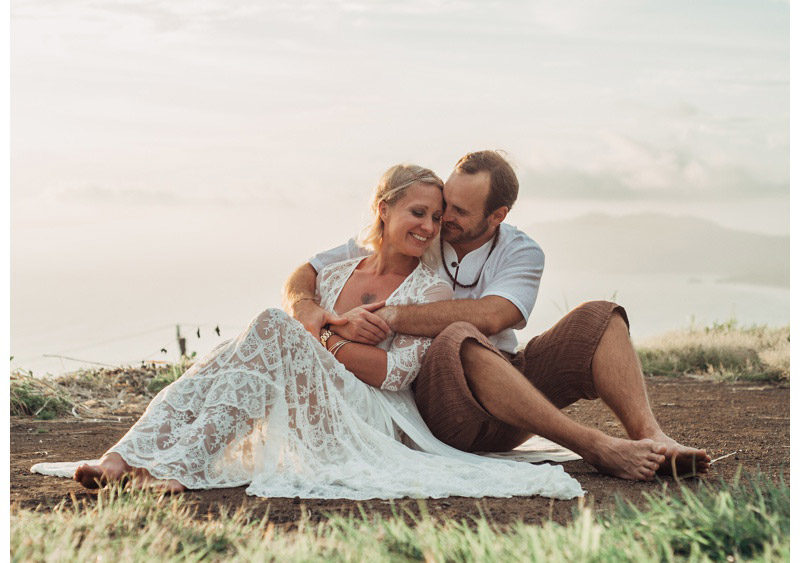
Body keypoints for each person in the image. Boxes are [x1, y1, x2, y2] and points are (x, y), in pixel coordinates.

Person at [63, 164, 583, 500]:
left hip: (374, 412)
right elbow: (299, 281)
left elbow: (396, 374)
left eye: (438, 216)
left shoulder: (433, 288)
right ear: (384, 210)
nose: (429, 226)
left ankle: (178, 466)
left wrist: (325, 340)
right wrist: (314, 317)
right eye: (417, 213)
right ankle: (123, 456)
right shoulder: (340, 269)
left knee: (270, 329)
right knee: (226, 352)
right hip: (318, 393)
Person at [284, 151, 711, 481]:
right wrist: (307, 309)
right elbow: (308, 271)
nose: (441, 220)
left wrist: (393, 315)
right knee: (457, 337)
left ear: (498, 216)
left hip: (509, 398)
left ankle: (651, 436)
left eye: (456, 212)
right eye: (443, 205)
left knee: (601, 316)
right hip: (440, 398)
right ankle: (596, 447)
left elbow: (493, 315)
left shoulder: (521, 251)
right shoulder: (417, 230)